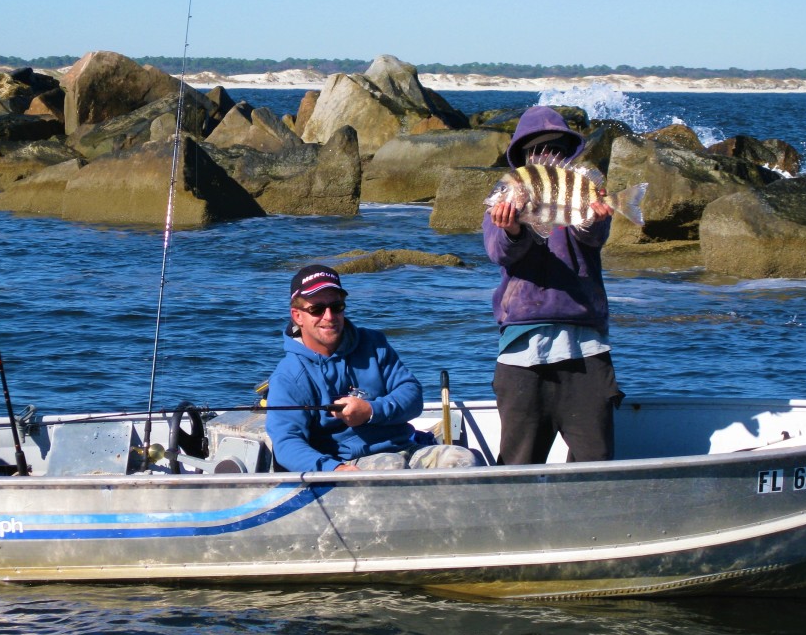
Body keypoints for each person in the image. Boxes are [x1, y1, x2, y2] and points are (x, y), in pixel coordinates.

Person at [483, 106, 624, 464]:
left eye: (558, 149)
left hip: (586, 349)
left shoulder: (581, 189)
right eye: (536, 150)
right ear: (523, 156)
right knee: (517, 464)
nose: (547, 156)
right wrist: (513, 230)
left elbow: (593, 236)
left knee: (596, 461)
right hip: (521, 352)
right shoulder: (507, 197)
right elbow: (499, 253)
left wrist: (596, 216)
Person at [265, 264, 478, 472]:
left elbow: (412, 396)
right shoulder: (288, 376)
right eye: (317, 309)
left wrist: (371, 411)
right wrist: (336, 469)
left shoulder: (374, 344)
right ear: (297, 315)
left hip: (407, 449)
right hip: (349, 464)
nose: (329, 316)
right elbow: (287, 443)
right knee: (391, 466)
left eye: (337, 307)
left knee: (462, 458)